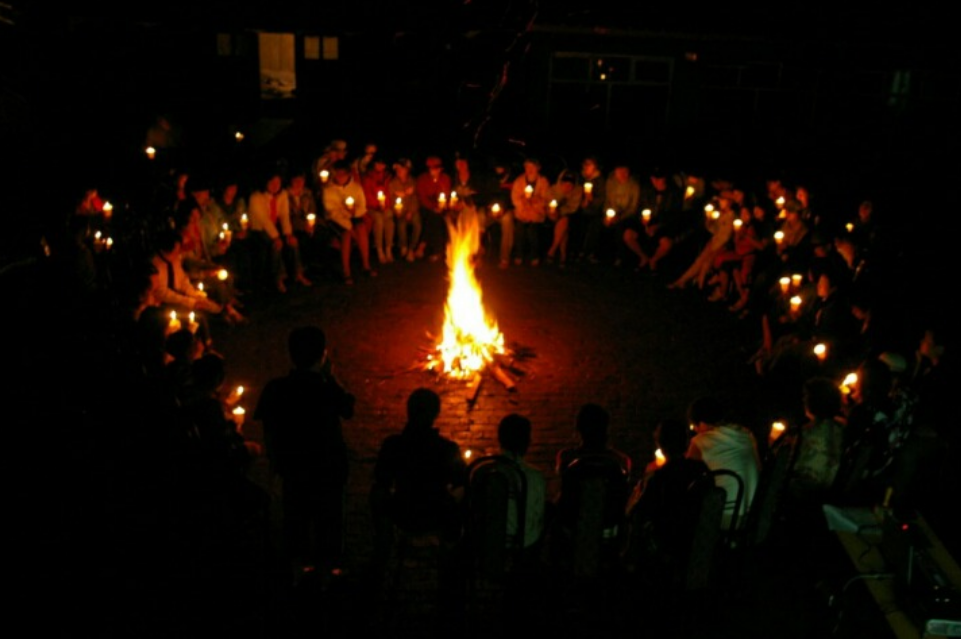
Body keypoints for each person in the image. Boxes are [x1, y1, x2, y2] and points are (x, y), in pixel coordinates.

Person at [254, 325, 356, 583]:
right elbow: (348, 408)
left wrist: (276, 462)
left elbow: (268, 429)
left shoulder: (275, 389)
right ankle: (329, 571)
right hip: (328, 469)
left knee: (296, 517)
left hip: (293, 468)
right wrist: (332, 378)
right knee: (330, 520)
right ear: (323, 356)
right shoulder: (326, 389)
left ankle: (299, 569)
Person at [369, 388, 468, 580]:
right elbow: (462, 482)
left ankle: (382, 550)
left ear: (408, 411)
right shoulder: (447, 449)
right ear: (436, 414)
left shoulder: (392, 445)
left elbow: (381, 480)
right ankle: (453, 555)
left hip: (402, 513)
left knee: (377, 493)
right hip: (436, 514)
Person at [685, 396, 761, 530]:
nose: (696, 431)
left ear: (701, 423)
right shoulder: (746, 433)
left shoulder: (700, 441)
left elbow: (684, 476)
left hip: (728, 517)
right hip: (756, 511)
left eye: (695, 427)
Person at [322, 159, 375, 284]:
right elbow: (331, 211)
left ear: (348, 174)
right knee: (346, 234)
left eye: (342, 174)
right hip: (335, 219)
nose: (340, 177)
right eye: (337, 174)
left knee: (361, 228)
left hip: (353, 215)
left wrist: (353, 213)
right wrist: (349, 224)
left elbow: (362, 207)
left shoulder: (356, 187)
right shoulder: (328, 189)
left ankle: (366, 266)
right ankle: (346, 271)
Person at [509, 157, 551, 266]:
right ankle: (519, 254)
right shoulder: (519, 181)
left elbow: (546, 199)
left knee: (533, 232)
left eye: (532, 167)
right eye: (527, 167)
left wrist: (534, 203)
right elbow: (515, 198)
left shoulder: (543, 182)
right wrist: (524, 205)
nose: (529, 169)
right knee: (519, 230)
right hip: (522, 212)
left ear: (538, 168)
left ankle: (534, 255)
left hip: (537, 213)